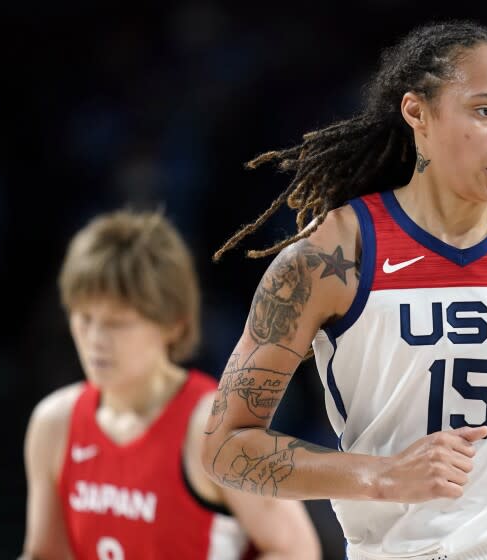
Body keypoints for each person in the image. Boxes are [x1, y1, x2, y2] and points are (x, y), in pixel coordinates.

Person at [202, 20, 487, 560]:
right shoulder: (330, 259)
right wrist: (380, 478)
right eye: (485, 110)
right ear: (416, 113)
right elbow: (225, 446)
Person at [21, 210, 320, 560]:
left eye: (118, 323)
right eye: (85, 318)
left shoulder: (212, 427)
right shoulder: (54, 423)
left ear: (174, 325)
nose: (96, 340)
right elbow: (45, 554)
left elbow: (297, 550)